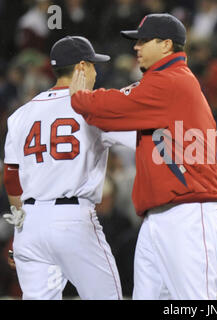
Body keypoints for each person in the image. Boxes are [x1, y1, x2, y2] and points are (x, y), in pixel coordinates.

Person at [69, 13, 217, 300]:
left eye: (143, 41)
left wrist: (81, 98)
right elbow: (122, 121)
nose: (136, 47)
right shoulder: (162, 83)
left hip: (189, 210)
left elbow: (115, 106)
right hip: (159, 215)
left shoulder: (172, 80)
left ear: (166, 45)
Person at [2, 36, 136, 300]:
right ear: (81, 68)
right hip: (72, 219)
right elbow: (143, 138)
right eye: (94, 65)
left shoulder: (20, 115)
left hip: (29, 224)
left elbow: (11, 179)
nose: (96, 71)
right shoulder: (92, 106)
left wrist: (20, 230)